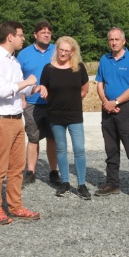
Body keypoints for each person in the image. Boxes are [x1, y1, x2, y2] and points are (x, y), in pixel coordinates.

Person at [0, 21, 43, 224]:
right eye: (20, 35)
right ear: (10, 37)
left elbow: (20, 89)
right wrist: (27, 82)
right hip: (1, 119)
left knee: (17, 166)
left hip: (17, 118)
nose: (23, 38)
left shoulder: (14, 62)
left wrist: (34, 88)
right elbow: (2, 90)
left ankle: (15, 205)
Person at [94, 27, 129, 201]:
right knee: (111, 149)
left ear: (123, 41)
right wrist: (106, 103)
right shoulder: (104, 59)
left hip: (125, 109)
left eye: (117, 39)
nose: (114, 42)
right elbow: (99, 83)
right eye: (111, 40)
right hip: (107, 109)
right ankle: (112, 183)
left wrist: (115, 102)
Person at [40, 36, 91, 199]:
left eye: (66, 51)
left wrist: (73, 102)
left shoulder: (79, 68)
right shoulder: (48, 69)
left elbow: (84, 89)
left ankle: (82, 184)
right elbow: (44, 90)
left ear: (72, 52)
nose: (63, 53)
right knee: (61, 149)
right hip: (55, 115)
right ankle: (65, 182)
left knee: (79, 149)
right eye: (60, 50)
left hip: (74, 115)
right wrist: (55, 102)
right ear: (57, 50)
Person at [18, 21, 60, 186]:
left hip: (53, 103)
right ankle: (30, 171)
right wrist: (22, 98)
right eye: (43, 32)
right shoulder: (24, 54)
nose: (47, 34)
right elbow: (18, 79)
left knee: (52, 138)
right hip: (32, 103)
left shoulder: (57, 51)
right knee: (33, 138)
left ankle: (53, 171)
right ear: (35, 34)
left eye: (49, 32)